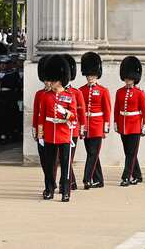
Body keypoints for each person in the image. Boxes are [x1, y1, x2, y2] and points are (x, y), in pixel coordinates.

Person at [31, 54, 76, 202]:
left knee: (65, 165)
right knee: (49, 165)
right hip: (50, 134)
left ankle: (66, 191)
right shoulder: (45, 96)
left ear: (60, 80)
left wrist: (65, 113)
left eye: (54, 80)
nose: (51, 82)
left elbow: (74, 116)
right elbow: (41, 118)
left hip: (63, 134)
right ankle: (49, 189)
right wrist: (41, 135)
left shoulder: (69, 96)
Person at [113, 56, 145, 186]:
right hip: (123, 125)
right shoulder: (119, 92)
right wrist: (116, 123)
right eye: (126, 77)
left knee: (131, 153)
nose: (128, 80)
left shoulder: (140, 93)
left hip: (134, 126)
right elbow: (117, 109)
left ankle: (126, 177)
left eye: (130, 78)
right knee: (129, 152)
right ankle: (138, 175)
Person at [78, 52, 110, 189]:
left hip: (97, 125)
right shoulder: (81, 90)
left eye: (93, 76)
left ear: (97, 76)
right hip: (86, 126)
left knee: (92, 153)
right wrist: (81, 126)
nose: (90, 78)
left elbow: (107, 109)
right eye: (88, 76)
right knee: (92, 153)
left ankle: (87, 178)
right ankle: (99, 180)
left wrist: (106, 127)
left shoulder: (103, 91)